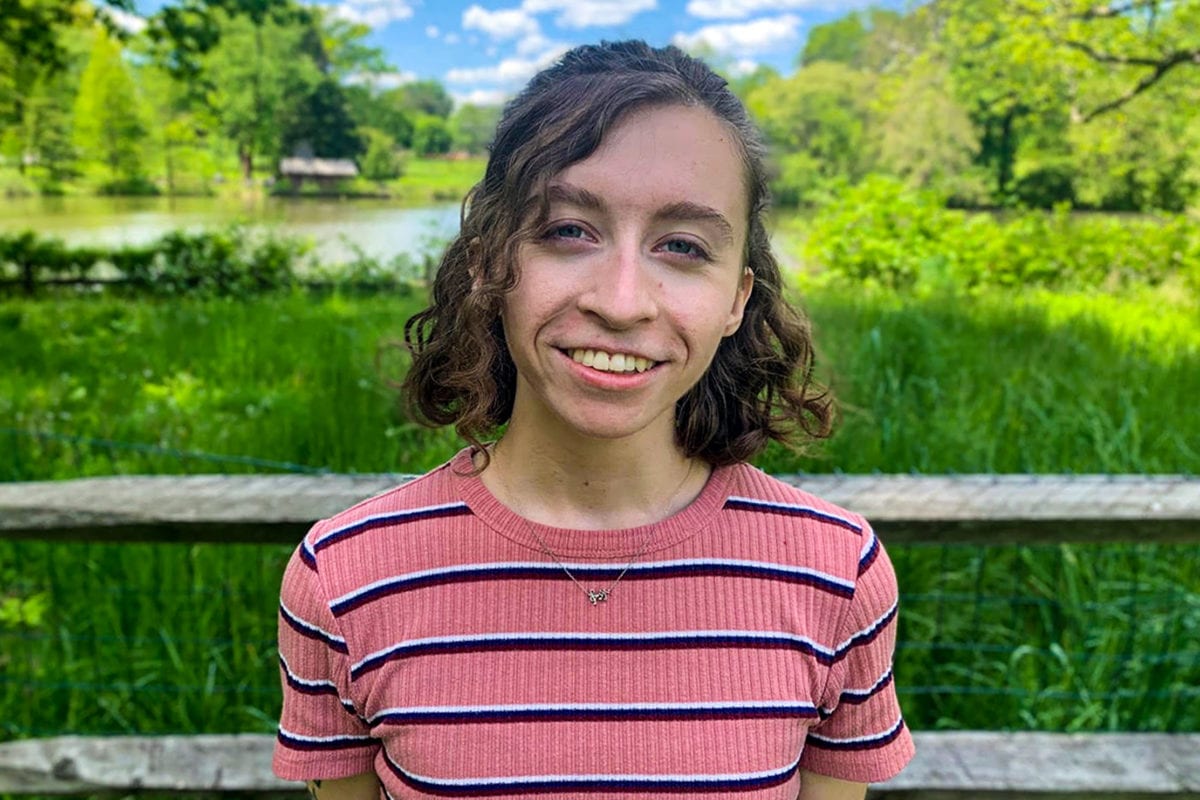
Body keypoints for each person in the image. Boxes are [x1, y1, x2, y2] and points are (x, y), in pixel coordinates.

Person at [273, 40, 914, 800]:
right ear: (487, 261)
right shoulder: (346, 577)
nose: (620, 300)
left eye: (682, 246)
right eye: (568, 230)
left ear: (737, 297)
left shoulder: (836, 574)